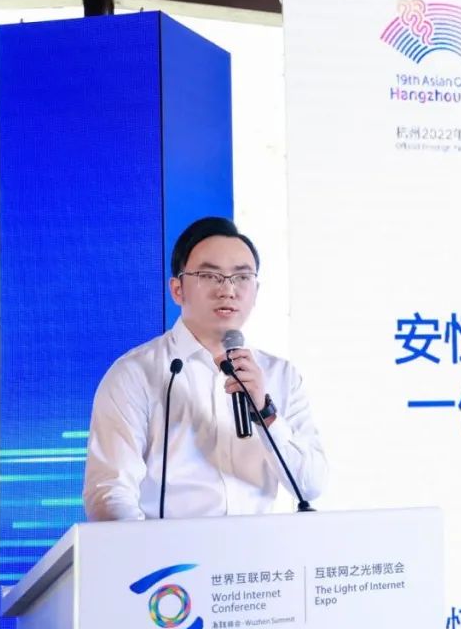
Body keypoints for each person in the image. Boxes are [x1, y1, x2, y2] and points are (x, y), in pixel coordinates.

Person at [83, 216, 327, 520]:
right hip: (169, 549)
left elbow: (310, 486)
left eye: (242, 277)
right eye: (210, 276)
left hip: (258, 547)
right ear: (177, 290)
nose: (228, 290)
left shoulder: (281, 376)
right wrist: (151, 548)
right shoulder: (136, 374)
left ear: (256, 291)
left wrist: (265, 412)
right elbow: (109, 492)